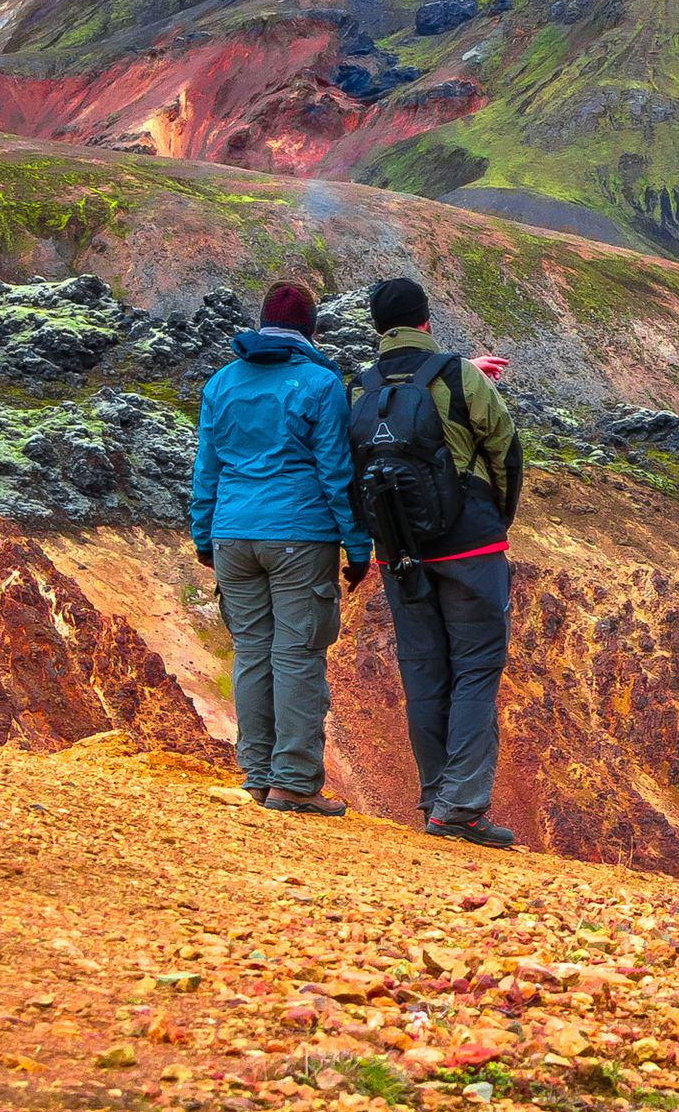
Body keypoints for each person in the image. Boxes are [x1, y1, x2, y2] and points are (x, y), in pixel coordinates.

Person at [347, 275, 527, 848]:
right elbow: (504, 449)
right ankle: (462, 808)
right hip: (470, 546)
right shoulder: (458, 375)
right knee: (475, 669)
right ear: (427, 319)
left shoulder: (363, 387)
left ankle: (434, 799)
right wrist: (495, 518)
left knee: (424, 673)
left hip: (400, 554)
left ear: (378, 327)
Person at [188, 282, 370, 815]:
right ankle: (292, 782)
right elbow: (336, 473)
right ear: (311, 329)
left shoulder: (221, 383)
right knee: (296, 655)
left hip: (232, 535)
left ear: (261, 320)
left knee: (250, 652)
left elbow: (207, 469)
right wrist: (356, 547)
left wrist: (205, 535)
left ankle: (258, 774)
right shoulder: (320, 383)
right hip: (299, 536)